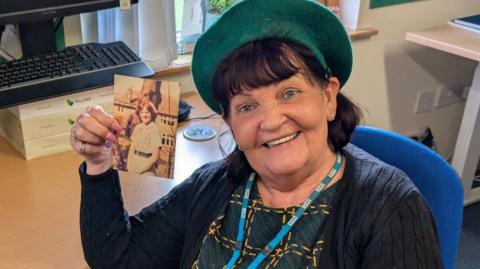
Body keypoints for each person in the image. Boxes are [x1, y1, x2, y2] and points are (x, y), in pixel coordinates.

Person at [69, 0, 443, 268]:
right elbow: (118, 258)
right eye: (247, 106)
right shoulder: (214, 185)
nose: (271, 121)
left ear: (328, 97)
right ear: (229, 122)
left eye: (289, 93)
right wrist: (100, 165)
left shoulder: (391, 209)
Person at [125, 100, 162, 175]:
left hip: (146, 167)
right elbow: (132, 148)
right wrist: (129, 167)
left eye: (147, 112)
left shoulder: (154, 130)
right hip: (133, 164)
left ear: (152, 114)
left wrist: (139, 170)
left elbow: (155, 157)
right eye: (141, 112)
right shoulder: (138, 127)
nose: (144, 115)